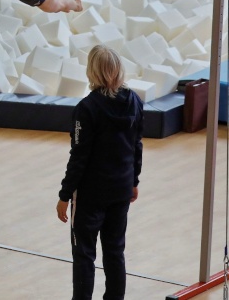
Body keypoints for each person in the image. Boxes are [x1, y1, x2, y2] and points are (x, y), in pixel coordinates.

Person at [56, 45, 144, 300]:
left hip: (91, 194)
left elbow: (79, 156)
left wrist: (64, 195)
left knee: (84, 254)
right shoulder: (134, 101)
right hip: (121, 189)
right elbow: (136, 146)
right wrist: (134, 181)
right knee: (115, 251)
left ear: (92, 71)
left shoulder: (86, 109)